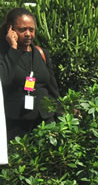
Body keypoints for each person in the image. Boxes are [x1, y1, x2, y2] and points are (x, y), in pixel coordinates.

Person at [1, 7, 61, 139]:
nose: (28, 33)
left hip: (45, 122)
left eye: (31, 29)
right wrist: (13, 49)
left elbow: (52, 88)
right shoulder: (5, 55)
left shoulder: (41, 53)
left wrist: (60, 117)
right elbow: (3, 80)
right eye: (22, 29)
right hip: (16, 126)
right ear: (10, 30)